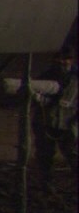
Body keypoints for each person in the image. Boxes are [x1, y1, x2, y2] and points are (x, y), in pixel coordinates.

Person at [31, 44, 77, 188]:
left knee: (73, 152)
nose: (62, 62)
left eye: (66, 58)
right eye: (59, 58)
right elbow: (35, 96)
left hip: (70, 121)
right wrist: (38, 100)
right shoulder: (46, 77)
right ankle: (45, 182)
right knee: (44, 154)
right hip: (46, 120)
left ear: (72, 60)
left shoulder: (76, 78)